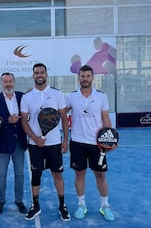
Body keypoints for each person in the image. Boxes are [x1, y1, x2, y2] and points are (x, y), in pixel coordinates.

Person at [20, 63, 71, 221]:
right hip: (35, 145)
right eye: (36, 73)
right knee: (36, 175)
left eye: (42, 72)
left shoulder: (57, 94)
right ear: (33, 75)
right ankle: (35, 205)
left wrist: (65, 140)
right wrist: (35, 138)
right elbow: (24, 121)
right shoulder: (27, 97)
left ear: (46, 74)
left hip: (54, 144)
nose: (39, 75)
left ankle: (62, 205)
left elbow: (63, 118)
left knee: (57, 175)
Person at [65, 64, 115, 221]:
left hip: (97, 144)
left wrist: (110, 138)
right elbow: (59, 113)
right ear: (78, 77)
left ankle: (105, 206)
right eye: (82, 76)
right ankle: (81, 205)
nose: (85, 79)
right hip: (77, 142)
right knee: (79, 174)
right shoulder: (71, 97)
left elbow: (105, 117)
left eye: (88, 76)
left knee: (100, 175)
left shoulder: (101, 96)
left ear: (92, 78)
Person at [0, 72, 27, 215]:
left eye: (10, 81)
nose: (8, 84)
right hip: (2, 143)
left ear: (14, 82)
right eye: (5, 81)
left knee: (20, 174)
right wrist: (7, 120)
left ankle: (19, 201)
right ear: (2, 83)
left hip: (19, 142)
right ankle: (1, 201)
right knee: (1, 175)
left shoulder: (22, 97)